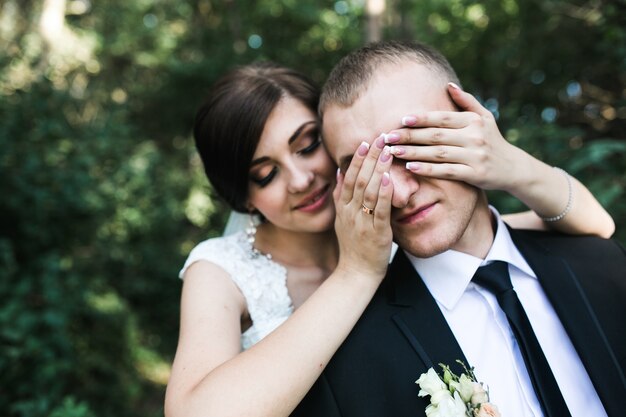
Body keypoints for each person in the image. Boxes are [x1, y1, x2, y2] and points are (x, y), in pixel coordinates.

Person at [164, 61, 616, 417]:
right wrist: (357, 271)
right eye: (265, 175)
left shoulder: (413, 228)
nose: (302, 179)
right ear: (243, 196)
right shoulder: (221, 269)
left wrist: (508, 164)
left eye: (307, 146)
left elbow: (591, 225)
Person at [291, 41, 626, 417]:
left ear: (471, 122)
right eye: (365, 171)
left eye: (413, 146)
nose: (398, 194)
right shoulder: (348, 364)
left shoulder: (603, 264)